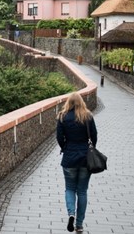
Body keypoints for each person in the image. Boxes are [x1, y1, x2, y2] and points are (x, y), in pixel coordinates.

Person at [56, 92, 97, 233]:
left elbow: (59, 137)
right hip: (85, 158)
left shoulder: (62, 116)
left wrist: (65, 148)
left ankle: (71, 214)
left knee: (70, 188)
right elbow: (94, 136)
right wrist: (90, 149)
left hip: (69, 158)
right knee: (82, 191)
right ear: (81, 102)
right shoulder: (88, 116)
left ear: (69, 102)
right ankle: (79, 225)